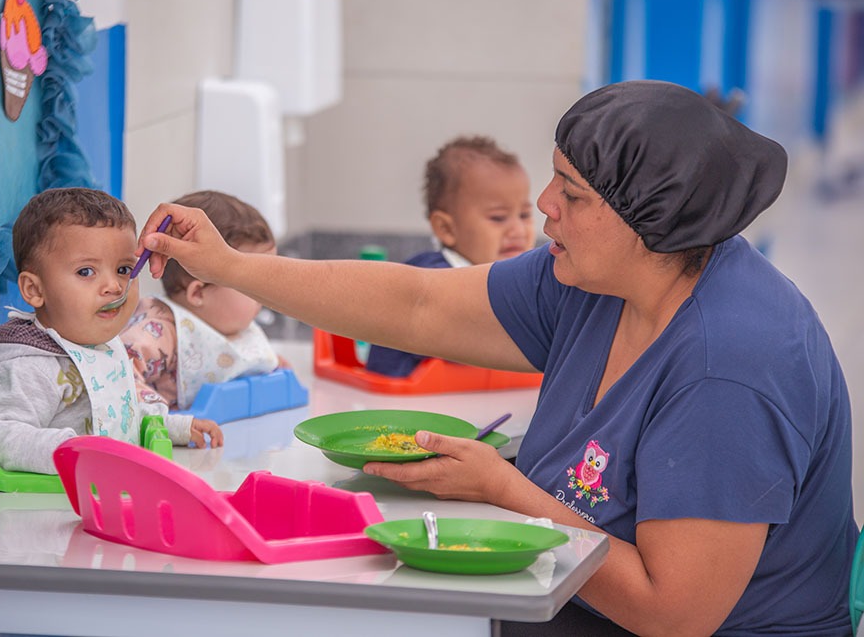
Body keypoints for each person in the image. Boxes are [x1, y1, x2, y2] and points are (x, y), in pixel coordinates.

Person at [133, 80, 857, 636]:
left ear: (650, 222)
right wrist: (232, 266)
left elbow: (674, 613)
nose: (542, 206)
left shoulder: (727, 366)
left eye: (570, 193)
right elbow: (420, 304)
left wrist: (501, 488)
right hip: (572, 598)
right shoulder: (598, 279)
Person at [0, 187, 223, 475]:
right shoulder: (30, 366)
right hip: (44, 512)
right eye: (86, 272)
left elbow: (114, 413)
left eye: (124, 270)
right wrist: (74, 451)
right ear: (35, 290)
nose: (114, 286)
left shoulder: (97, 346)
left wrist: (172, 426)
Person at [366, 135, 534, 377]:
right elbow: (471, 335)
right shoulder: (433, 277)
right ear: (446, 229)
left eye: (525, 215)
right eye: (498, 218)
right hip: (404, 403)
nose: (518, 230)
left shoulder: (512, 277)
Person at [119, 190, 282, 410]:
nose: (265, 290)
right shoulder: (160, 330)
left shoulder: (231, 322)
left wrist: (271, 368)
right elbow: (119, 376)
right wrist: (157, 415)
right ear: (198, 293)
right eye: (250, 282)